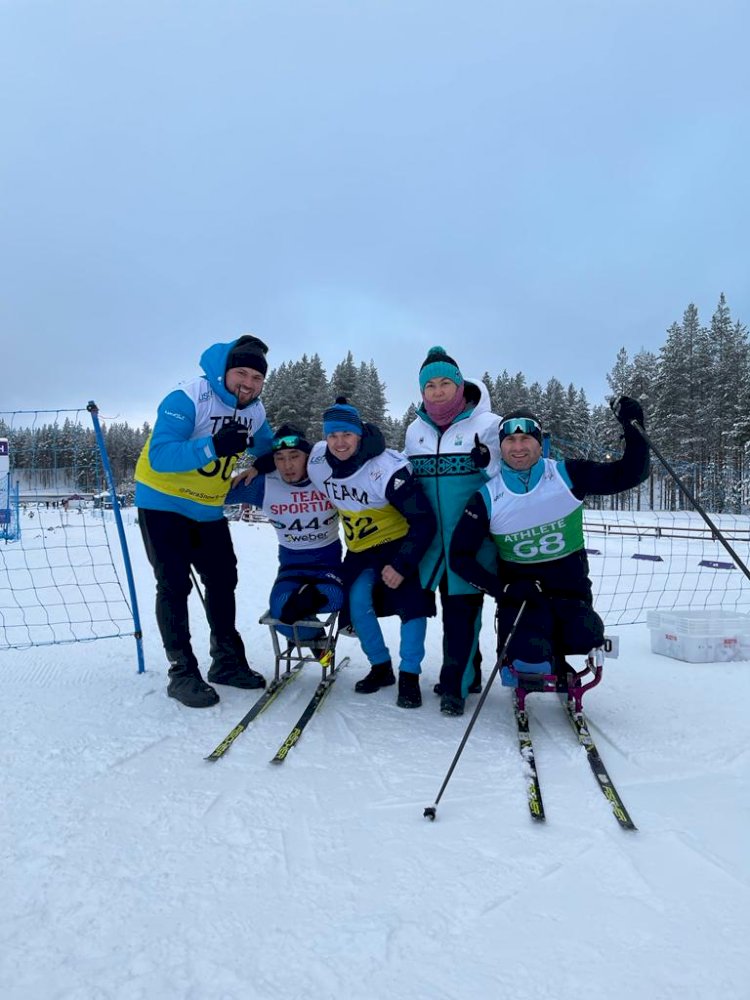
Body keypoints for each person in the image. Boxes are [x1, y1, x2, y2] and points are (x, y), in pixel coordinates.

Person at [449, 397, 649, 704]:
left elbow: (631, 474)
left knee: (587, 636)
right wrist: (503, 588)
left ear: (540, 444)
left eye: (526, 438)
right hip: (523, 600)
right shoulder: (488, 496)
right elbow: (459, 557)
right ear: (500, 447)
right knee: (530, 659)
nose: (518, 447)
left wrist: (633, 425)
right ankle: (530, 655)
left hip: (571, 593)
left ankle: (555, 654)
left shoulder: (567, 475)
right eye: (510, 440)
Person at [135, 334, 274, 708]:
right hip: (163, 503)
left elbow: (268, 447)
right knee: (174, 583)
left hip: (209, 509)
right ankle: (182, 671)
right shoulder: (188, 397)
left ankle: (226, 662)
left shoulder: (255, 410)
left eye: (257, 378)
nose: (248, 384)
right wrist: (212, 446)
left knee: (224, 578)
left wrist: (261, 465)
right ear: (225, 372)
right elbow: (161, 455)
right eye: (241, 373)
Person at [306, 398, 437, 708]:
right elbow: (288, 453)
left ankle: (409, 675)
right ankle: (381, 667)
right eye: (333, 435)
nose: (339, 443)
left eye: (347, 435)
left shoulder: (386, 468)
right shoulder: (318, 460)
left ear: (359, 435)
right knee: (356, 602)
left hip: (397, 545)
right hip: (359, 550)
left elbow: (424, 519)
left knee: (412, 605)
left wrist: (402, 564)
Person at [404, 346, 502, 716]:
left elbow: (507, 477)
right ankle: (470, 673)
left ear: (460, 386)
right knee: (451, 611)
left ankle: (454, 687)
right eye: (430, 385)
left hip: (471, 543)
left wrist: (487, 465)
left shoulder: (489, 425)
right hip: (431, 546)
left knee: (461, 615)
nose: (438, 391)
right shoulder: (415, 431)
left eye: (446, 383)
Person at [228, 423, 344, 643]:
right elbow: (214, 494)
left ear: (308, 457)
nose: (287, 465)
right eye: (279, 458)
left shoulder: (327, 476)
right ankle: (317, 640)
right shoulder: (263, 483)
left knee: (337, 598)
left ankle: (305, 611)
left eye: (294, 456)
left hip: (328, 568)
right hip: (292, 568)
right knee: (281, 611)